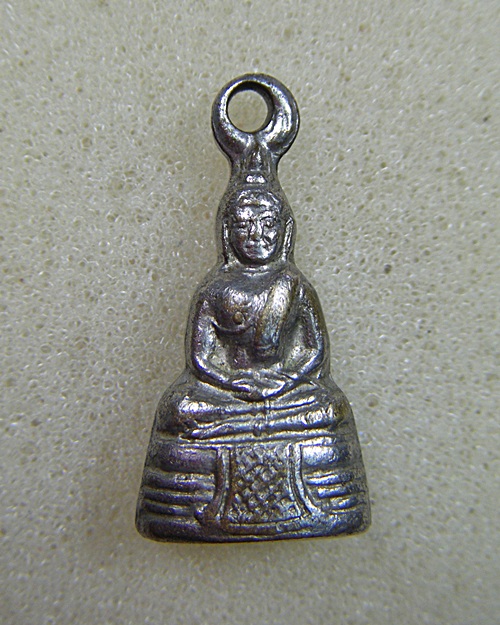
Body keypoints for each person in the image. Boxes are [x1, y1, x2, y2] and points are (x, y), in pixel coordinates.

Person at [155, 186, 351, 441]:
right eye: (243, 225)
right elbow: (200, 359)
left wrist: (286, 380)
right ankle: (270, 424)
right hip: (232, 389)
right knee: (179, 408)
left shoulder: (296, 285)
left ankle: (232, 428)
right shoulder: (214, 289)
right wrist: (231, 382)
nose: (256, 234)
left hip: (284, 388)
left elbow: (315, 350)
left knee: (331, 405)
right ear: (226, 231)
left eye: (268, 224)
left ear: (285, 231)